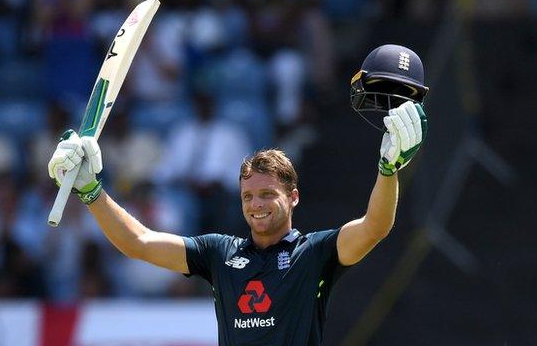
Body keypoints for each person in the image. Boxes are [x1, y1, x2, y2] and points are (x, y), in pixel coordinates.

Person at [47, 44, 429, 345]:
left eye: (267, 194)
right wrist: (91, 190)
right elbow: (139, 243)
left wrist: (388, 170)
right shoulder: (219, 253)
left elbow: (375, 227)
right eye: (248, 197)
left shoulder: (315, 254)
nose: (256, 206)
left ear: (293, 197)